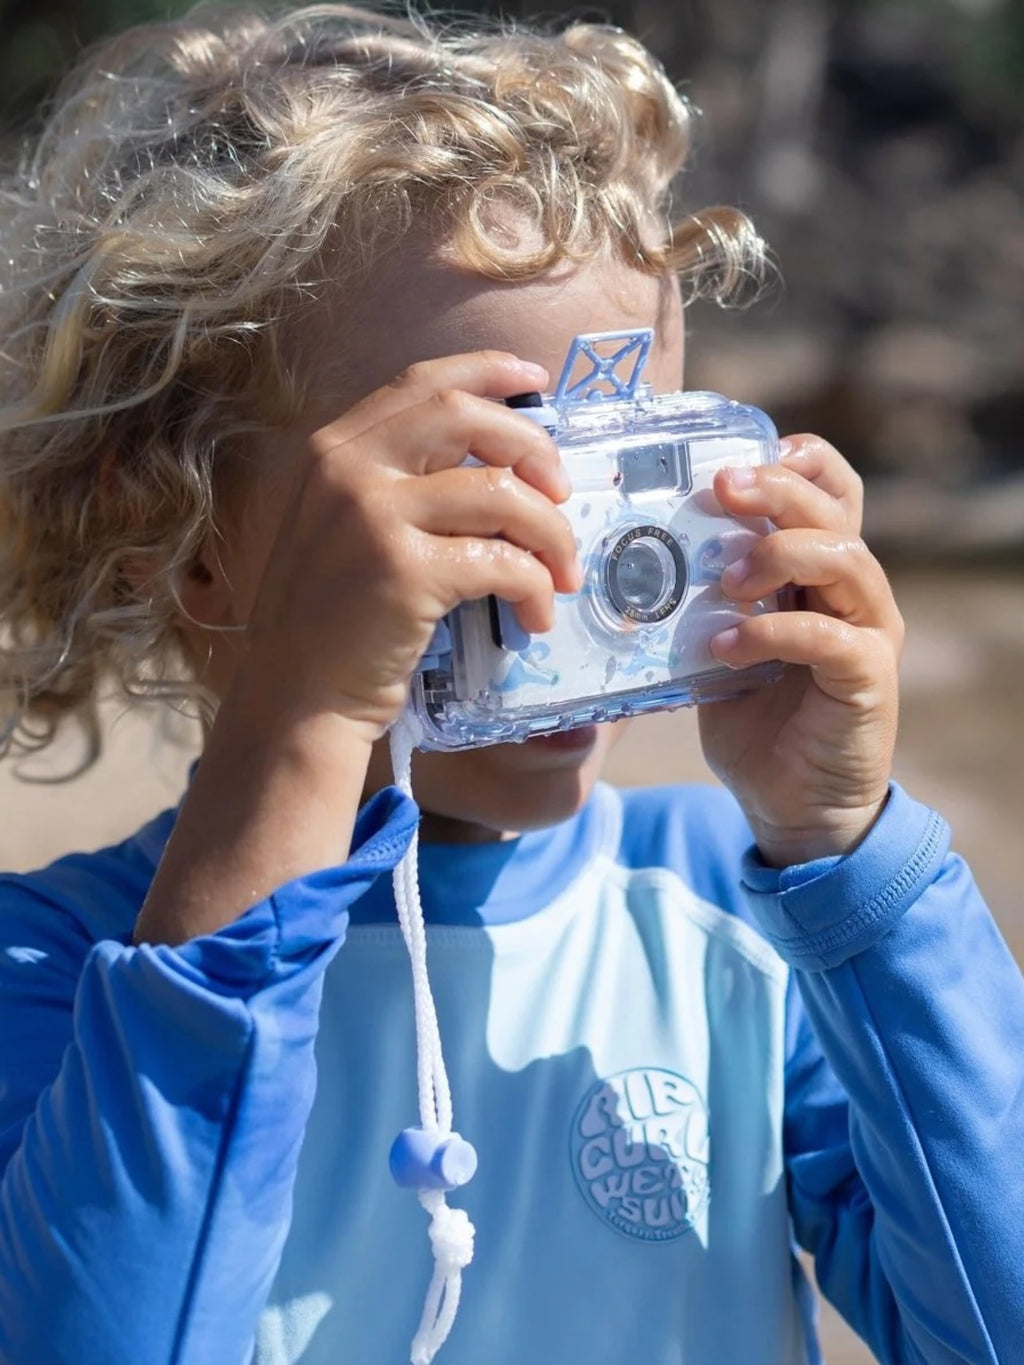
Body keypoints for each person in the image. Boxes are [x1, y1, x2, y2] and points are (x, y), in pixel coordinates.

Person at [0, 5, 1021, 1364]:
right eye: (469, 482)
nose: (562, 572)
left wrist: (853, 859)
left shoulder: (739, 919)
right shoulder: (57, 978)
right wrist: (303, 729)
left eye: (622, 483)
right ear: (188, 541)